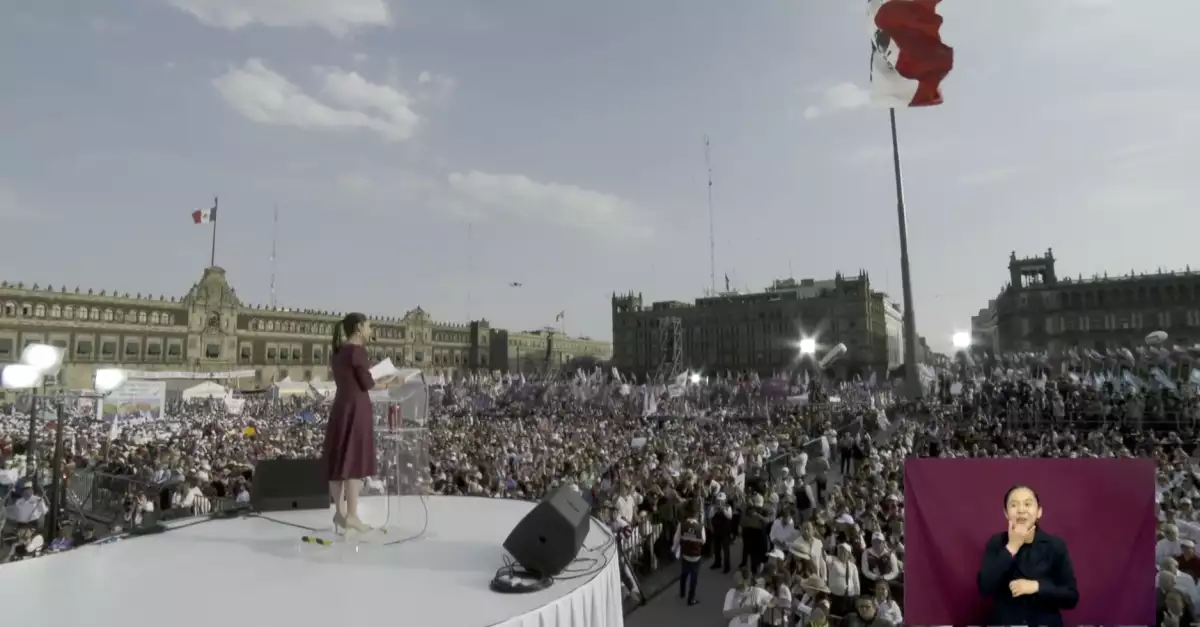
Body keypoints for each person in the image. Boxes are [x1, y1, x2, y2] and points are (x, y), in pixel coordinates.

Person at [322, 312, 394, 533]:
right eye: (369, 327)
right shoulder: (358, 351)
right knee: (353, 460)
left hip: (341, 406)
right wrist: (391, 382)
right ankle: (352, 515)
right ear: (359, 327)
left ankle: (339, 513)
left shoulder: (339, 352)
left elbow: (357, 379)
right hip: (357, 408)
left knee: (339, 458)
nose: (371, 331)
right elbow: (366, 383)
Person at [976, 484, 1079, 627]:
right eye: (1014, 505)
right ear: (1006, 513)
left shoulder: (1055, 545)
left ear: (1039, 511)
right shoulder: (996, 543)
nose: (1021, 510)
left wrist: (1037, 587)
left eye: (1027, 504)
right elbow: (984, 587)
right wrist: (1012, 547)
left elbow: (1071, 597)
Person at [674, 504, 705, 606]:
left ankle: (682, 592)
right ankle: (691, 599)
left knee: (684, 573)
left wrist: (674, 550)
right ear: (696, 514)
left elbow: (677, 539)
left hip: (685, 554)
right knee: (693, 578)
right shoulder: (700, 527)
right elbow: (703, 541)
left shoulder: (682, 525)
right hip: (696, 556)